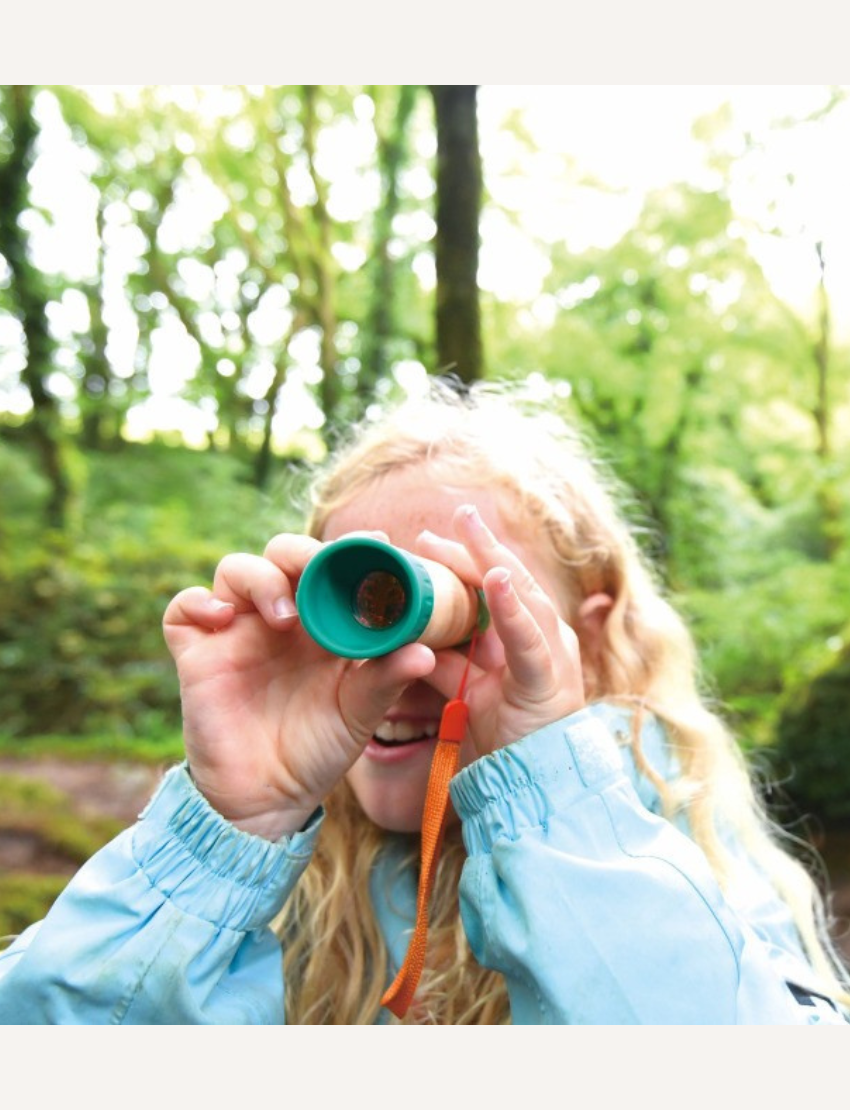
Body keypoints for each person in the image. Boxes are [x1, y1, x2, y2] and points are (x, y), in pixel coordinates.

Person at [0, 378, 848, 1025]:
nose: (403, 670)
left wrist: (553, 803)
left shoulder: (675, 831)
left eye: (465, 617)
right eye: (367, 610)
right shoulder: (284, 863)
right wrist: (228, 832)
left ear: (587, 640)